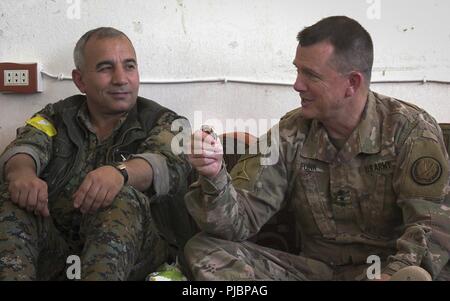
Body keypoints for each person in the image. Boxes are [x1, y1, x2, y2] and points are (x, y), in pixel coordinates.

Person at [184, 16, 450, 281]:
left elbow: (430, 226)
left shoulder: (409, 130)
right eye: (297, 70)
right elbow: (237, 224)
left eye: (310, 74)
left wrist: (391, 275)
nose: (297, 84)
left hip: (386, 269)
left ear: (352, 83)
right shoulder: (289, 133)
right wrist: (214, 175)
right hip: (315, 272)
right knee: (204, 249)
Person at [0, 27, 191, 280]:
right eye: (106, 68)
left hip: (137, 255)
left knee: (120, 197)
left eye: (129, 66)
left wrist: (120, 174)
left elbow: (169, 165)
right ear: (80, 80)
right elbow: (26, 146)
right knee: (14, 194)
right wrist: (22, 175)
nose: (121, 79)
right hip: (62, 253)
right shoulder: (57, 116)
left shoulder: (166, 121)